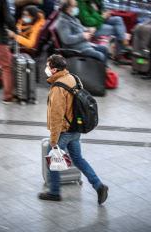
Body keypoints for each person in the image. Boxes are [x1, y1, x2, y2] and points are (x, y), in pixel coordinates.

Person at [38, 54, 108, 205]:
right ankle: (99, 186)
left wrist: (54, 138)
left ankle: (54, 192)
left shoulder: (57, 88)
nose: (46, 69)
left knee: (53, 160)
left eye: (48, 66)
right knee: (78, 159)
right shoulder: (74, 78)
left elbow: (57, 115)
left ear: (55, 69)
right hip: (76, 129)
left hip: (64, 131)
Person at [76, 0, 131, 65]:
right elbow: (88, 22)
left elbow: (95, 12)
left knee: (118, 20)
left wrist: (102, 14)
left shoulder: (90, 2)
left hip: (97, 20)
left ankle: (123, 43)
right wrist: (102, 17)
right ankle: (119, 54)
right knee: (117, 30)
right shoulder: (81, 3)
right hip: (91, 28)